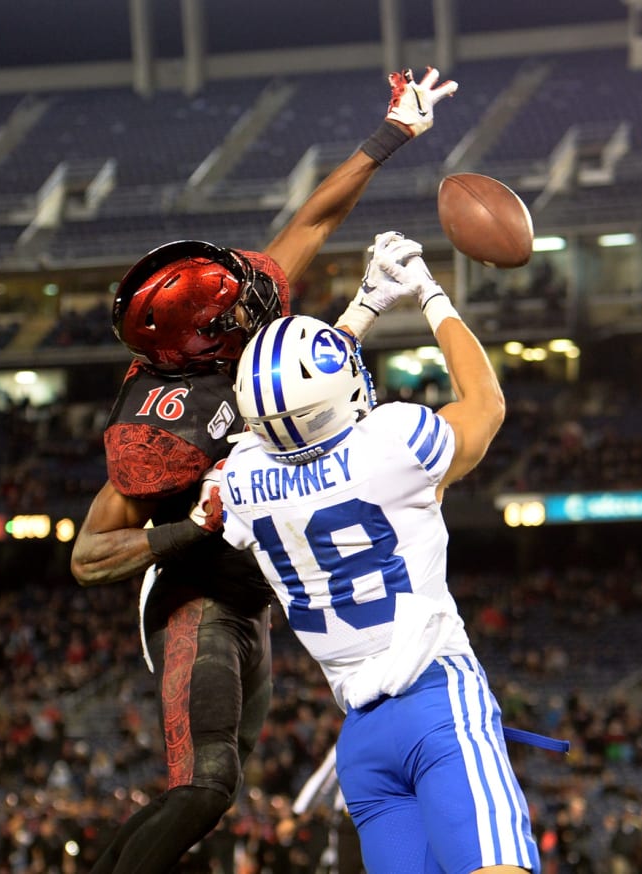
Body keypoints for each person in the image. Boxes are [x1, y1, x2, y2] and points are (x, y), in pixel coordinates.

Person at [70, 67, 458, 874]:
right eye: (234, 309)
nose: (256, 298)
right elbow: (88, 556)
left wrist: (392, 133)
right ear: (199, 343)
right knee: (203, 785)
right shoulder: (159, 428)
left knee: (224, 786)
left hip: (253, 596)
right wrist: (192, 525)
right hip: (196, 595)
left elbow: (312, 220)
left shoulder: (226, 347)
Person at [216, 243, 542, 874]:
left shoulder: (239, 480)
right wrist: (430, 295)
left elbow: (293, 405)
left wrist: (362, 310)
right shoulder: (394, 443)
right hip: (435, 699)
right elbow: (485, 406)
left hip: (361, 742)